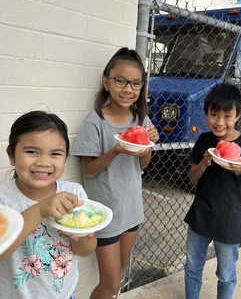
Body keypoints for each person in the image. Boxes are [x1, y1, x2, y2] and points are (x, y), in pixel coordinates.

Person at [72, 47, 159, 299]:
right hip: (103, 214)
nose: (127, 89)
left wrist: (147, 143)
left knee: (119, 277)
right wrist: (116, 150)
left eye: (135, 83)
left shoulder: (141, 119)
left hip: (132, 210)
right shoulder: (95, 121)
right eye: (120, 80)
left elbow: (143, 165)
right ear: (106, 82)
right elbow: (88, 170)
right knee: (109, 284)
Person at [0, 111, 97, 299]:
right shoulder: (4, 200)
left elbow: (86, 251)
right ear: (12, 156)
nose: (43, 162)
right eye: (31, 152)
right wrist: (40, 208)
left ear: (65, 159)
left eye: (55, 154)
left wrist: (80, 235)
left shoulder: (74, 193)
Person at [184, 84, 241, 299]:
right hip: (201, 215)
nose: (219, 122)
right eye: (214, 115)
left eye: (227, 116)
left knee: (226, 274)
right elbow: (193, 177)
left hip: (230, 220)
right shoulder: (204, 140)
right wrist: (204, 162)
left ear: (238, 115)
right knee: (192, 267)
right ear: (206, 114)